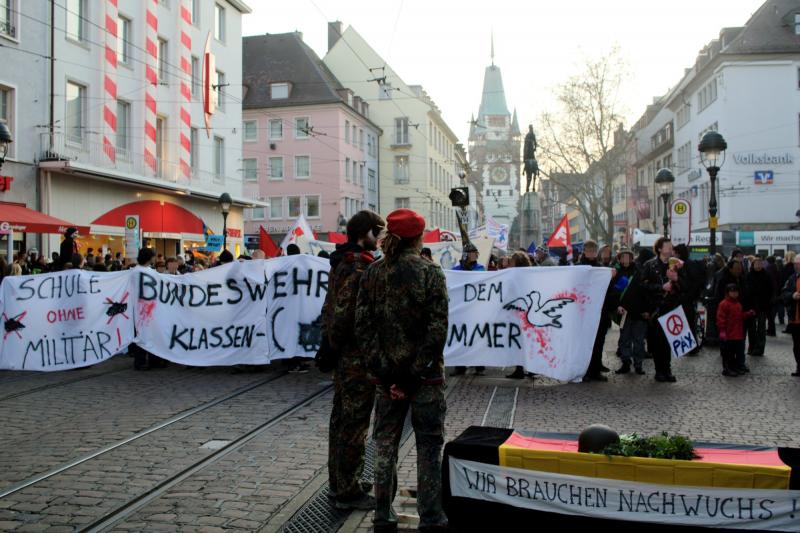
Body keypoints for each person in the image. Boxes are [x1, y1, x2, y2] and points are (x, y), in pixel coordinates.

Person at [355, 208, 449, 533]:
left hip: (387, 379)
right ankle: (432, 516)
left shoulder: (372, 274)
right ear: (418, 237)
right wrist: (412, 374)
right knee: (429, 445)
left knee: (384, 444)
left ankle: (383, 514)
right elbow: (437, 330)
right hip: (425, 379)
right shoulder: (430, 273)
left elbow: (363, 329)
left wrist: (387, 374)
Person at [322, 210, 385, 511]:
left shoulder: (340, 261)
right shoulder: (358, 265)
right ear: (365, 233)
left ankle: (341, 481)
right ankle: (347, 490)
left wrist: (329, 343)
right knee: (354, 423)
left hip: (344, 354)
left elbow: (329, 307)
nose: (381, 238)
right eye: (378, 232)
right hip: (355, 356)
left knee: (341, 419)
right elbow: (344, 312)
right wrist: (336, 345)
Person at [642, 237, 683, 382]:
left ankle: (667, 370)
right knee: (657, 341)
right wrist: (661, 287)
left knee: (668, 341)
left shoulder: (676, 265)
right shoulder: (649, 265)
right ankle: (659, 370)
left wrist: (677, 280)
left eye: (671, 246)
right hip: (656, 308)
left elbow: (684, 286)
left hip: (671, 307)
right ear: (659, 249)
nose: (670, 248)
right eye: (667, 246)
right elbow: (643, 286)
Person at [450, 242, 486, 376]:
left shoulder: (480, 268)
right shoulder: (456, 270)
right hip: (461, 310)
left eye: (476, 252)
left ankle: (479, 366)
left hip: (475, 309)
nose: (476, 255)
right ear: (466, 255)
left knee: (477, 337)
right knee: (460, 337)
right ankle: (460, 366)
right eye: (473, 252)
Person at [580, 240, 611, 382]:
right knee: (585, 343)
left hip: (600, 311)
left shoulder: (601, 268)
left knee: (599, 343)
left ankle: (595, 370)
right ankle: (584, 371)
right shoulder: (579, 267)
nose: (592, 253)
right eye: (589, 251)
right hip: (585, 312)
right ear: (584, 251)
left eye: (594, 251)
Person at [614, 248, 647, 375]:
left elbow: (645, 292)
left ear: (632, 258)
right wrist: (617, 306)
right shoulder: (617, 274)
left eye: (628, 256)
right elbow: (614, 293)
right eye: (623, 257)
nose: (626, 259)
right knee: (624, 339)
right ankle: (626, 363)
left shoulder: (639, 271)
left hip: (639, 312)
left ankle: (638, 365)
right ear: (620, 259)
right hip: (624, 313)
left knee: (639, 341)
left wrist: (646, 310)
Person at [506, 252, 534, 380]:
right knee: (524, 341)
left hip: (521, 314)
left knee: (520, 342)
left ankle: (520, 369)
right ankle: (527, 368)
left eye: (512, 262)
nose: (510, 264)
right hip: (523, 313)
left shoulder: (517, 275)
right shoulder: (529, 274)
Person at [717, 283, 755, 376]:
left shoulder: (738, 304)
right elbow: (720, 318)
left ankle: (734, 367)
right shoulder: (724, 304)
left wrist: (748, 314)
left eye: (736, 292)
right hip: (729, 334)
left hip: (737, 333)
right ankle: (727, 368)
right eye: (732, 292)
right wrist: (722, 331)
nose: (734, 294)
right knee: (728, 353)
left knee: (737, 352)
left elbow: (740, 317)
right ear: (728, 292)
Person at [745, 256, 772, 357]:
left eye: (760, 263)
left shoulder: (766, 275)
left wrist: (768, 303)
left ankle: (759, 348)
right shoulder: (748, 276)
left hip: (762, 306)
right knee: (751, 328)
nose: (758, 265)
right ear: (753, 265)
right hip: (751, 306)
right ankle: (752, 347)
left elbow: (770, 290)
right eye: (756, 263)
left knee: (761, 328)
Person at [781, 254, 800, 376]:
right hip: (795, 319)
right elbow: (784, 294)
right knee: (797, 346)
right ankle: (799, 366)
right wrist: (792, 296)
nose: (797, 266)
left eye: (799, 264)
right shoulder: (792, 278)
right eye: (796, 264)